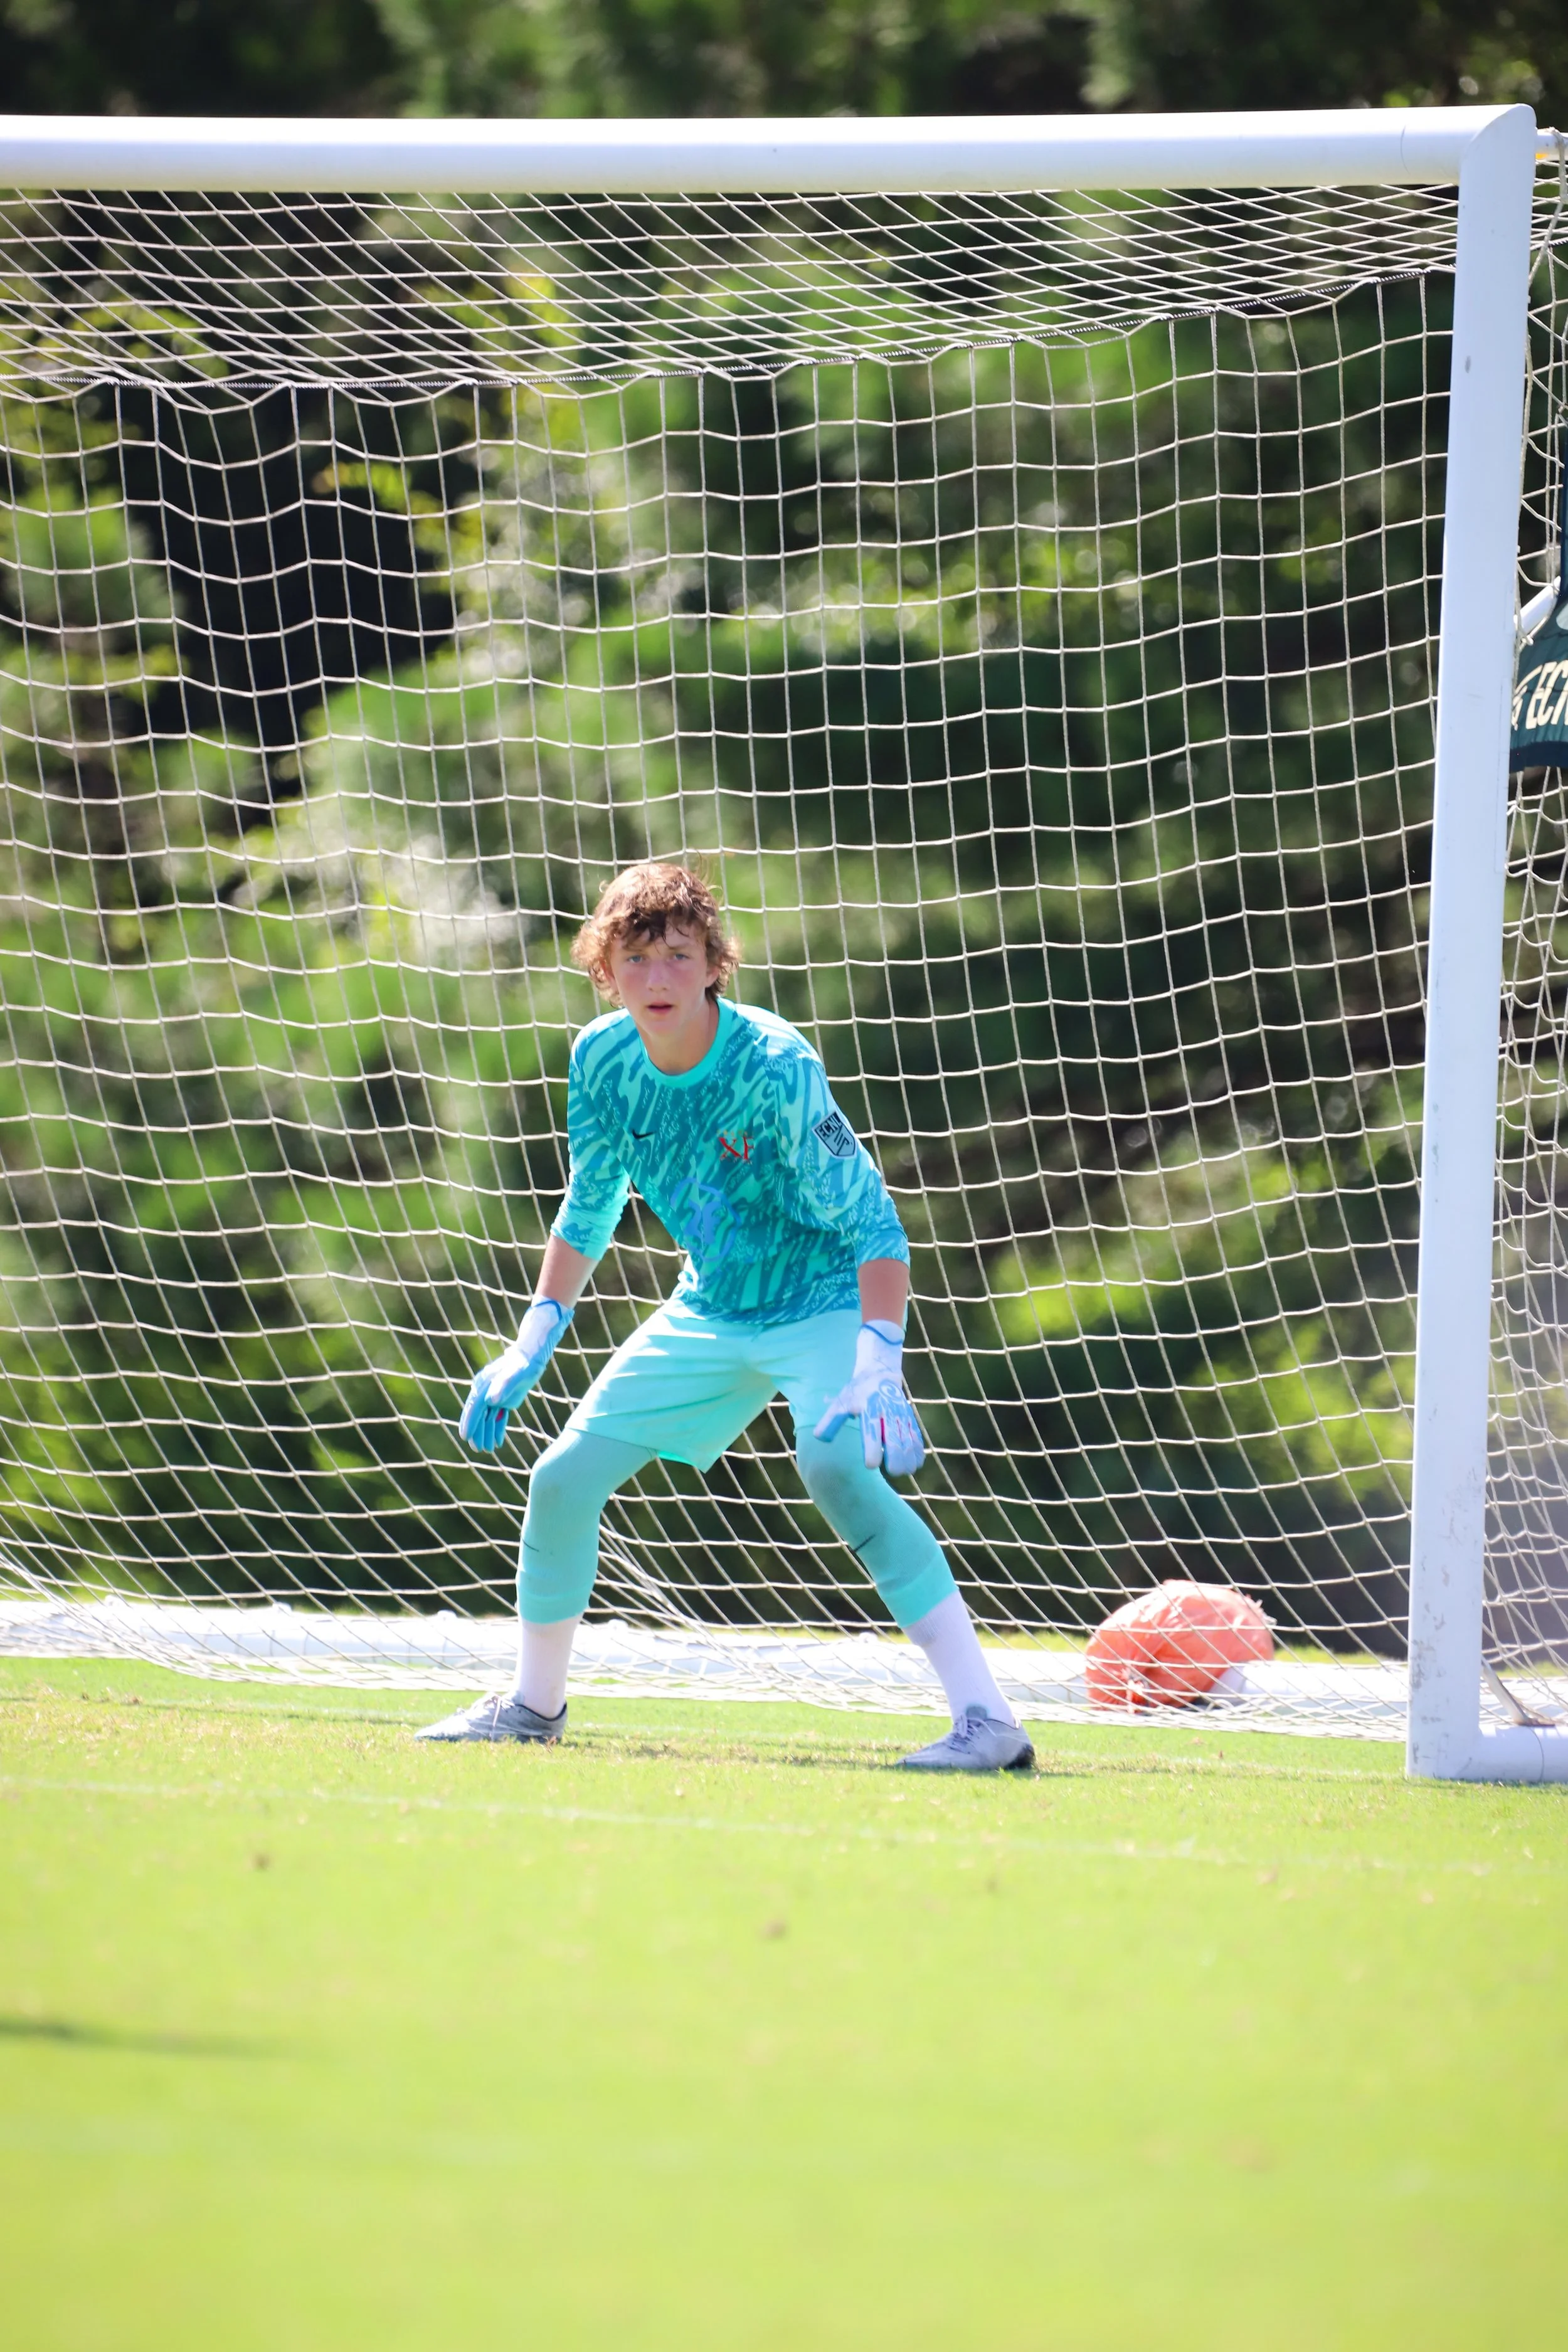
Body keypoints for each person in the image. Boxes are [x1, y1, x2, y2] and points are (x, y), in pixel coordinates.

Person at [417, 861, 1032, 1773]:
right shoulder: (600, 1060)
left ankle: (988, 1721)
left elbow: (873, 1222)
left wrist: (879, 1360)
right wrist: (531, 1337)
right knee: (562, 1478)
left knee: (833, 1465)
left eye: (678, 955)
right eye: (636, 957)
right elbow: (590, 1205)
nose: (657, 977)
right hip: (710, 1306)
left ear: (713, 964)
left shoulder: (777, 1066)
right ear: (605, 968)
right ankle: (532, 1707)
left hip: (823, 1296)